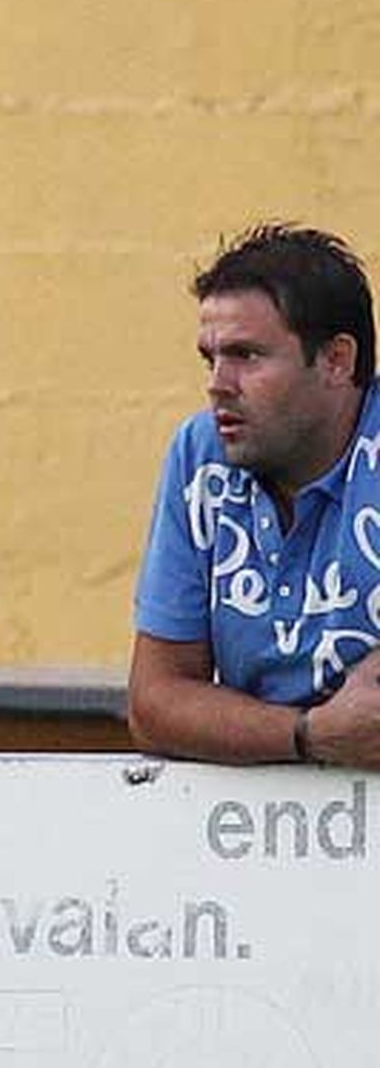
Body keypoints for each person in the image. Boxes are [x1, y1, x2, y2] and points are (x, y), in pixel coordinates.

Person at [130, 223, 380, 768]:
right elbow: (155, 701)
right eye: (210, 358)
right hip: (259, 832)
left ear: (337, 360)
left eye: (246, 355)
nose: (218, 383)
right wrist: (309, 734)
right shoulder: (200, 455)